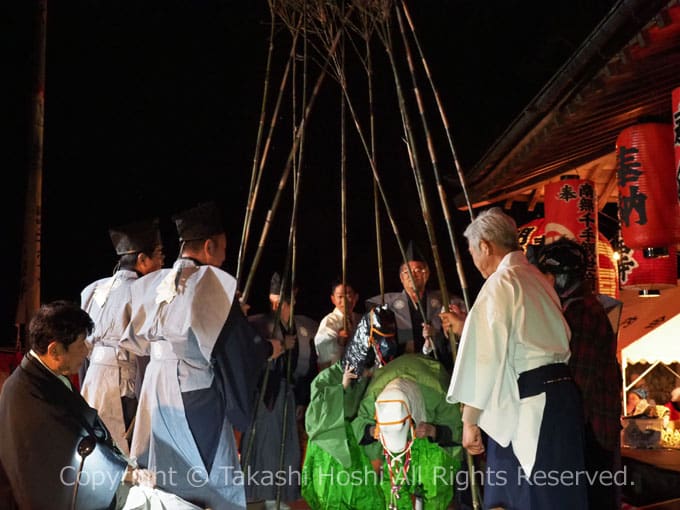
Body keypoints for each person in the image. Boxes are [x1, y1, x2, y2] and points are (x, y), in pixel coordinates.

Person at [121, 201, 283, 509]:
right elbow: (236, 347)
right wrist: (267, 348)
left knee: (161, 469)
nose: (224, 256)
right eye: (222, 248)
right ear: (209, 246)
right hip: (192, 391)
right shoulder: (211, 282)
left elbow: (137, 339)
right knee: (205, 473)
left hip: (154, 388)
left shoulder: (157, 280)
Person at [445, 207, 587, 509]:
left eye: (472, 252)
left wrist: (470, 420)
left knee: (527, 494)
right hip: (562, 397)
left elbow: (486, 357)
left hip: (530, 404)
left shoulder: (501, 282)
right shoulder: (536, 279)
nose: (475, 262)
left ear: (485, 246)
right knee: (561, 493)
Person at [0, 300, 201, 510]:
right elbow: (70, 448)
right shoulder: (27, 393)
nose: (87, 352)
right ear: (55, 350)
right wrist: (124, 473)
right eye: (81, 345)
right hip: (71, 492)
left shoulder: (39, 377)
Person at [534, 237, 622, 510]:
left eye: (546, 277)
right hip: (590, 427)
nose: (543, 284)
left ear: (562, 278)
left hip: (590, 429)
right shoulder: (575, 308)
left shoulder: (580, 312)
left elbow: (576, 381)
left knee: (590, 499)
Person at [80, 217, 165, 455]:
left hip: (92, 380)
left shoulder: (93, 289)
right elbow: (144, 350)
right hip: (124, 386)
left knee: (94, 448)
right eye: (159, 254)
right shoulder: (145, 291)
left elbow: (81, 347)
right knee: (123, 453)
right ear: (142, 260)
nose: (162, 261)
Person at [301, 304, 398, 509]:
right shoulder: (325, 379)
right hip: (330, 447)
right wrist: (341, 389)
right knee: (335, 496)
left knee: (364, 495)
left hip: (354, 445)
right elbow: (315, 420)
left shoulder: (365, 381)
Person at [242, 272, 318, 508]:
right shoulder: (260, 324)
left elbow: (308, 366)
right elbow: (251, 360)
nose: (280, 306)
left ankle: (281, 497)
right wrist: (279, 348)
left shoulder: (301, 327)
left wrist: (302, 399)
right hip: (266, 395)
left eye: (285, 301)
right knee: (267, 448)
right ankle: (265, 497)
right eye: (277, 301)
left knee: (288, 451)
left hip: (289, 395)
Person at [352, 353, 463, 509]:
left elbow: (456, 429)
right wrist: (372, 431)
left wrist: (433, 431)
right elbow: (358, 427)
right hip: (392, 438)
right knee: (392, 482)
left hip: (429, 431)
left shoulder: (438, 393)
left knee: (435, 477)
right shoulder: (373, 398)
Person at [366, 241, 463, 374]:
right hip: (400, 368)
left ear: (426, 274)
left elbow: (453, 337)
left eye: (418, 270)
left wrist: (436, 335)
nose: (413, 275)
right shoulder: (387, 304)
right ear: (401, 277)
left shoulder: (443, 300)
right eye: (407, 272)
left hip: (436, 367)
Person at [314, 279, 361, 370]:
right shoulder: (329, 321)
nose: (344, 301)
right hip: (336, 375)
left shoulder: (360, 319)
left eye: (349, 295)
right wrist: (338, 341)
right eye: (340, 296)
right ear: (333, 299)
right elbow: (321, 344)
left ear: (356, 297)